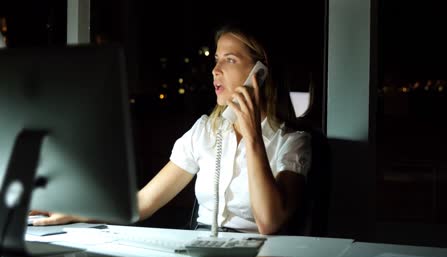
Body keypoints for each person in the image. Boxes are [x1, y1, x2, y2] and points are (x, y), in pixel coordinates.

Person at [30, 23, 312, 235]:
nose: (215, 70)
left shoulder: (293, 143)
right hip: (202, 248)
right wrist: (77, 210)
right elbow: (144, 202)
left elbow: (269, 223)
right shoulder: (205, 131)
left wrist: (252, 138)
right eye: (216, 59)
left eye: (230, 59)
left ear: (260, 73)